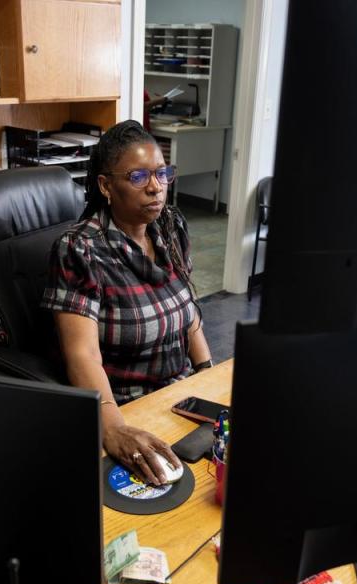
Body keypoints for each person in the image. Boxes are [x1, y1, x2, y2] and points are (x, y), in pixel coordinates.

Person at [41, 120, 213, 485]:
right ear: (106, 186)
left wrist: (208, 375)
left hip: (180, 397)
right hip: (128, 406)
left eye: (162, 174)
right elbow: (81, 356)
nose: (156, 187)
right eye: (138, 177)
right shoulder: (79, 250)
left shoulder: (171, 226)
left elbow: (189, 311)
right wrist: (115, 428)